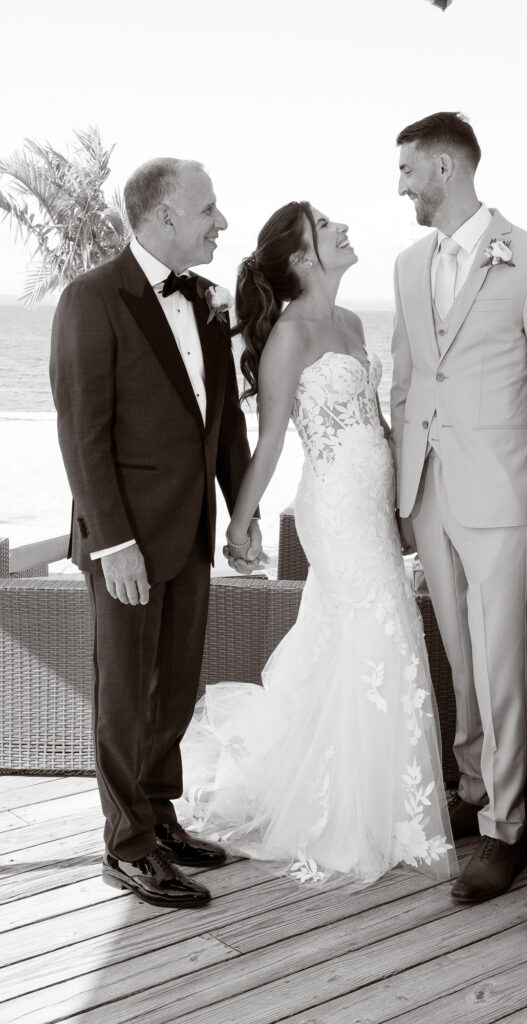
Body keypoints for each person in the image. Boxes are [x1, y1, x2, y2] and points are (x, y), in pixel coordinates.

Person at [178, 201, 456, 888]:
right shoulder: (290, 338)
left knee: (377, 634)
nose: (342, 227)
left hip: (373, 502)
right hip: (332, 508)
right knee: (378, 630)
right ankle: (349, 816)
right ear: (302, 257)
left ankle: (391, 802)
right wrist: (241, 523)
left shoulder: (352, 322)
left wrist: (406, 503)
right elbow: (271, 443)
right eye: (326, 225)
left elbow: (377, 424)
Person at [50, 157, 261, 908]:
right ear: (164, 215)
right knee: (124, 698)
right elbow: (83, 432)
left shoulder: (207, 300)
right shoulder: (91, 298)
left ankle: (160, 816)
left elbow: (225, 423)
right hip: (125, 541)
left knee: (173, 688)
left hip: (192, 529)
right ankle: (127, 846)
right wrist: (113, 545)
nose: (221, 223)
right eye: (209, 209)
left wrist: (243, 514)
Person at [390, 112, 527, 902]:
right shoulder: (406, 264)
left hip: (499, 490)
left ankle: (508, 829)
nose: (398, 184)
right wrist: (398, 489)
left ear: (443, 167)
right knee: (460, 656)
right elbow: (404, 381)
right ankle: (474, 791)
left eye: (406, 170)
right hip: (426, 487)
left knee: (500, 659)